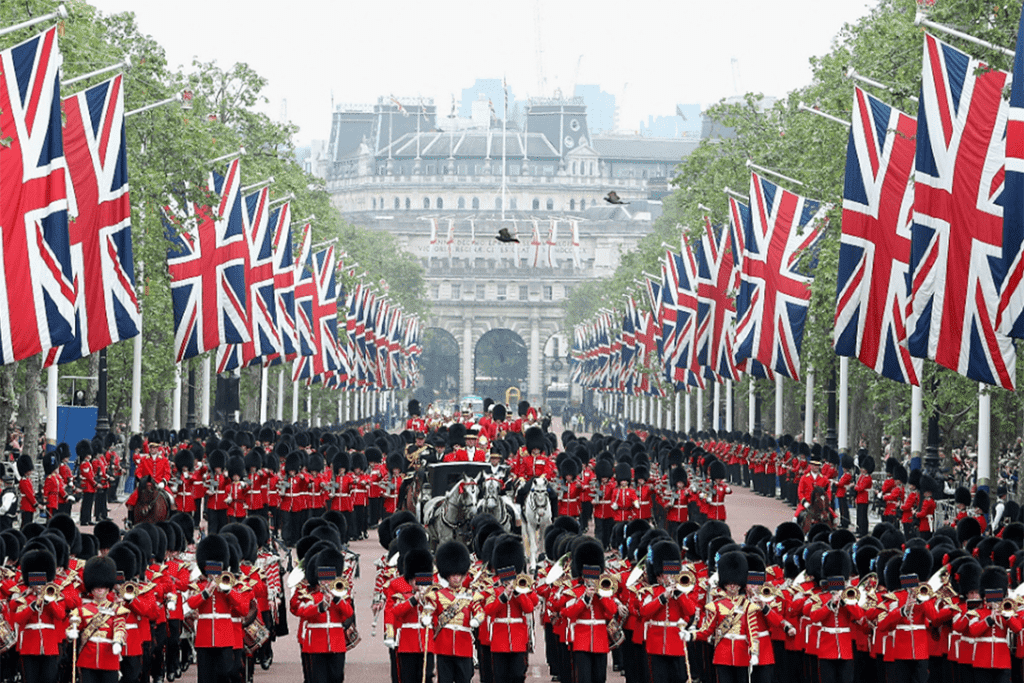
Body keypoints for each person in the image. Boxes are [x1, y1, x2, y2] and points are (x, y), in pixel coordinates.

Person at [69, 556, 128, 683]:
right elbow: (75, 624)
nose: (100, 590)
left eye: (103, 587)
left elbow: (120, 627)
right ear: (91, 589)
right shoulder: (82, 610)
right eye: (96, 587)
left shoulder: (117, 610)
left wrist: (118, 641)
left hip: (109, 658)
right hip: (87, 658)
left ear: (108, 588)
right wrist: (71, 631)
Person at [424, 541, 477, 683]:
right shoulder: (438, 595)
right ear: (447, 575)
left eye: (459, 574)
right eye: (453, 574)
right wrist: (427, 619)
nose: (456, 578)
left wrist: (476, 619)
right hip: (444, 646)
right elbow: (432, 616)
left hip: (464, 646)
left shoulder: (470, 596)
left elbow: (480, 611)